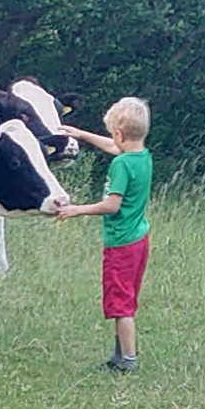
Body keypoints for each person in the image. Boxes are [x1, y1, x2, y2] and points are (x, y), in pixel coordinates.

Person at [47, 95, 152, 371]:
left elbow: (111, 205)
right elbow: (113, 146)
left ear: (118, 133)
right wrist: (82, 134)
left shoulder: (121, 165)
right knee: (126, 300)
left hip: (121, 244)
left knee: (121, 306)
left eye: (111, 134)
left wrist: (76, 210)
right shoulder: (141, 156)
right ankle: (119, 357)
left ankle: (128, 361)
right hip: (139, 239)